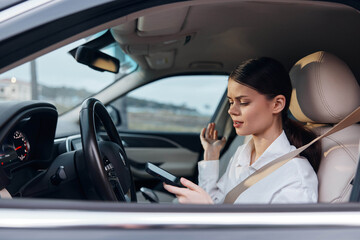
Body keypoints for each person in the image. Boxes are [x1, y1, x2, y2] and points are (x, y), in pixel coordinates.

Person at [163, 57, 321, 204]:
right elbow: (217, 203)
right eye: (231, 102)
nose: (232, 110)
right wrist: (211, 156)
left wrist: (209, 212)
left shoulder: (295, 177)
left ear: (277, 104)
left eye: (243, 102)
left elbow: (273, 235)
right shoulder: (242, 154)